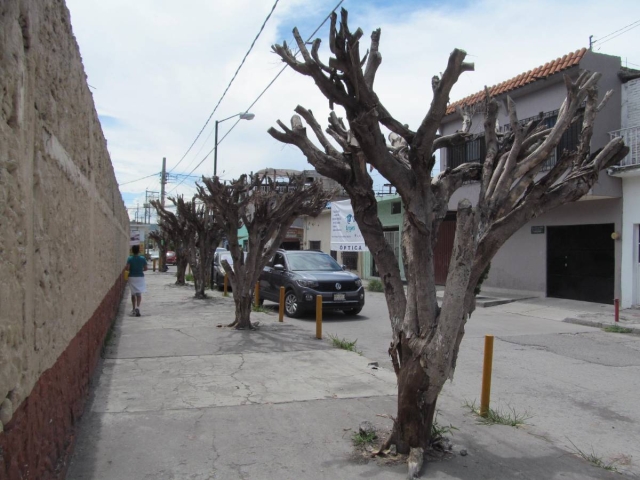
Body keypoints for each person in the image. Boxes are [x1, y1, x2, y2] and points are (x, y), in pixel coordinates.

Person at [126, 244, 148, 317]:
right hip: (140, 277)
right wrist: (140, 269)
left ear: (132, 251)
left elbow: (127, 268)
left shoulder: (130, 258)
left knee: (133, 293)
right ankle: (138, 307)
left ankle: (133, 309)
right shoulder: (142, 258)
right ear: (139, 251)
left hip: (132, 277)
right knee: (139, 293)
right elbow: (145, 268)